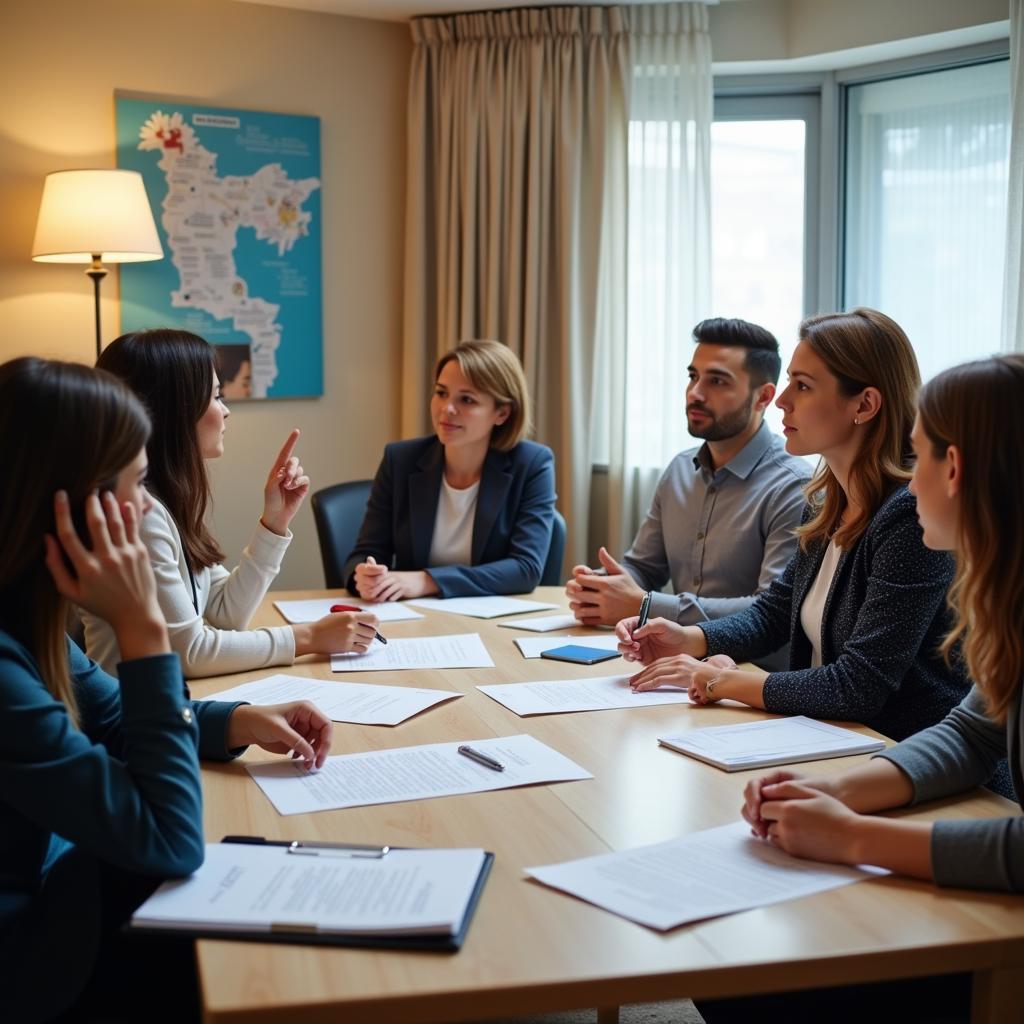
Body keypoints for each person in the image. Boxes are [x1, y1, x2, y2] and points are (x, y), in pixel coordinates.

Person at [0, 358, 333, 1023]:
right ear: (73, 506)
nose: (146, 509)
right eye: (136, 486)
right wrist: (143, 630)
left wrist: (237, 719)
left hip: (61, 871)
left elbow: (114, 714)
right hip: (27, 954)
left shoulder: (22, 610)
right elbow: (171, 837)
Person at [696, 357, 1024, 1024]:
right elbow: (970, 732)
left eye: (919, 453)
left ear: (954, 469)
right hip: (976, 840)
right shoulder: (1007, 600)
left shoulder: (906, 526)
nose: (911, 478)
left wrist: (853, 839)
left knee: (748, 981)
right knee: (729, 967)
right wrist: (835, 792)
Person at [617, 309, 973, 745]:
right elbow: (773, 614)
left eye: (802, 386)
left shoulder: (910, 517)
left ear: (864, 405)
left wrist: (719, 681)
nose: (782, 400)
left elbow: (857, 686)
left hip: (912, 755)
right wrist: (688, 638)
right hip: (837, 740)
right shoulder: (826, 502)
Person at [85, 328, 378, 678]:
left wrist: (274, 522)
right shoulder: (138, 513)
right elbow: (190, 652)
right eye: (215, 396)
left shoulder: (166, 498)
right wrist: (308, 637)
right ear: (175, 411)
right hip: (124, 720)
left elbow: (225, 613)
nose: (225, 411)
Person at [567, 318, 808, 671]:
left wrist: (646, 605)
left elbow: (771, 610)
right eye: (693, 376)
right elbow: (645, 566)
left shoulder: (793, 486)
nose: (695, 392)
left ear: (765, 397)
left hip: (754, 679)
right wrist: (600, 589)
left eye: (717, 381)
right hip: (676, 666)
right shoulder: (680, 469)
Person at [343, 339, 556, 600]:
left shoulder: (532, 464)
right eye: (441, 393)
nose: (447, 409)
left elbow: (525, 568)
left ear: (501, 413)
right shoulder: (399, 460)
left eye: (466, 399)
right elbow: (365, 552)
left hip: (491, 619)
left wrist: (427, 580)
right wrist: (365, 575)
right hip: (412, 617)